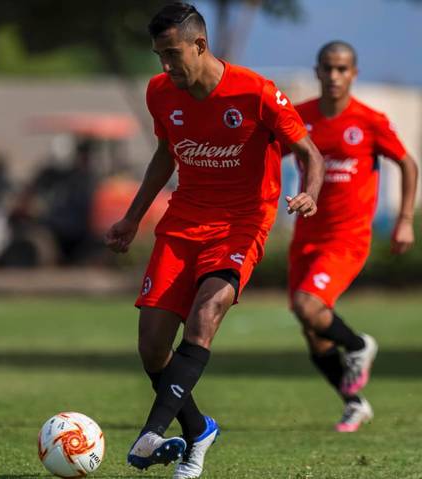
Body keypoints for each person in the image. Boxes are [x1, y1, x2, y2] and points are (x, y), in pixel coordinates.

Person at [104, 4, 324, 478]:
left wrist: (309, 192)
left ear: (200, 46)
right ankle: (198, 429)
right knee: (151, 347)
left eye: (172, 53)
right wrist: (131, 217)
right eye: (158, 55)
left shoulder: (256, 91)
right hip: (183, 222)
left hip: (243, 223)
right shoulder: (160, 92)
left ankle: (152, 432)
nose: (165, 66)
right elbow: (166, 153)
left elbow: (309, 151)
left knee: (205, 316)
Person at [287, 41, 418, 432]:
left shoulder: (369, 120)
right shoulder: (300, 117)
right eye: (327, 68)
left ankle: (360, 346)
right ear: (317, 71)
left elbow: (407, 163)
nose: (333, 76)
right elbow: (268, 153)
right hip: (305, 235)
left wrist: (405, 218)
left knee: (309, 306)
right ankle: (354, 402)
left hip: (347, 237)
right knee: (311, 328)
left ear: (353, 74)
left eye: (342, 69)